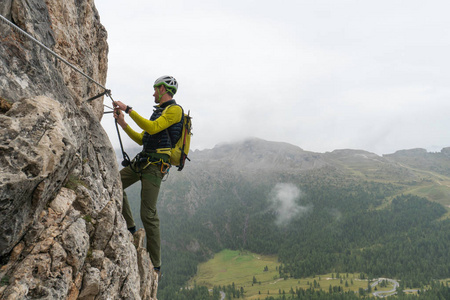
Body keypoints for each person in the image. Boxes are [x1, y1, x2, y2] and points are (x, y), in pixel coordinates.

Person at [112, 75, 183, 277]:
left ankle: (156, 265)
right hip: (143, 161)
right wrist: (123, 122)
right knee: (114, 183)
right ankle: (132, 229)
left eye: (155, 89)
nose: (153, 93)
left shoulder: (174, 110)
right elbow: (142, 138)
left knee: (148, 213)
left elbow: (151, 128)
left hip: (155, 168)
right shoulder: (158, 113)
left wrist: (128, 109)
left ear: (163, 89)